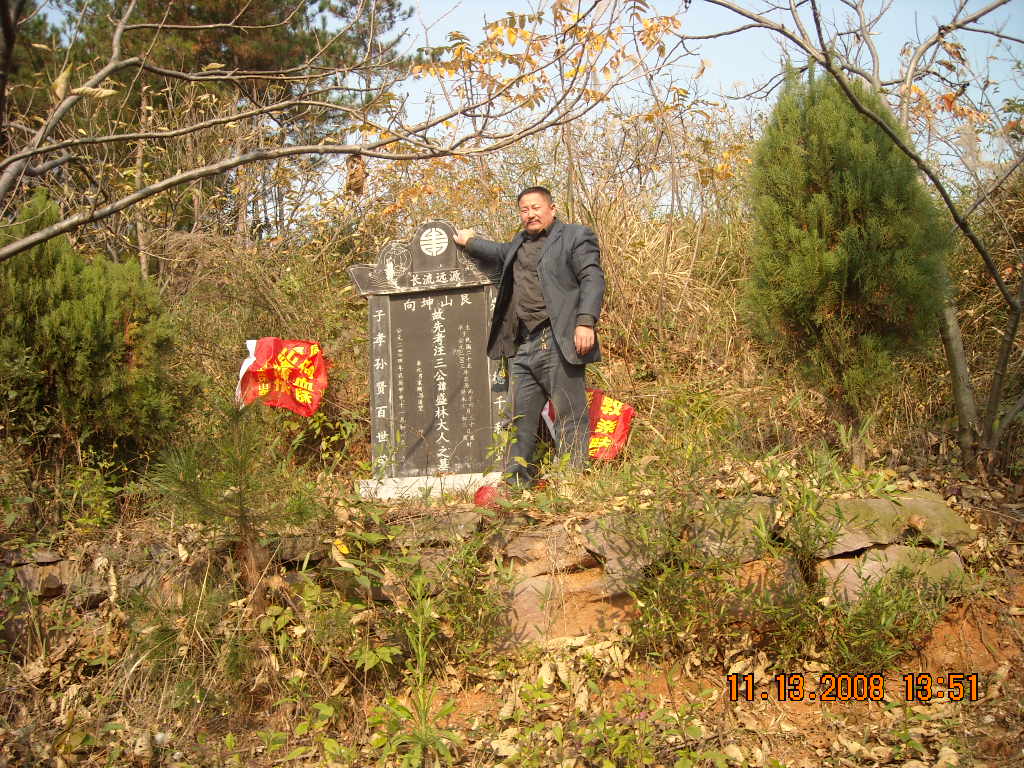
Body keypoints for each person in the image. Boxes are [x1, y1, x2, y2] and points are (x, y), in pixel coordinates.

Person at [453, 186, 605, 488]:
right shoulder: (518, 244)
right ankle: (516, 483)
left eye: (536, 207)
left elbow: (592, 277)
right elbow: (496, 252)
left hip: (558, 338)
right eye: (524, 209)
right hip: (522, 345)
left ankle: (571, 483)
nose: (530, 214)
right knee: (518, 418)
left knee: (569, 413)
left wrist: (585, 321)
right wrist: (469, 241)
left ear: (552, 208)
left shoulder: (575, 236)